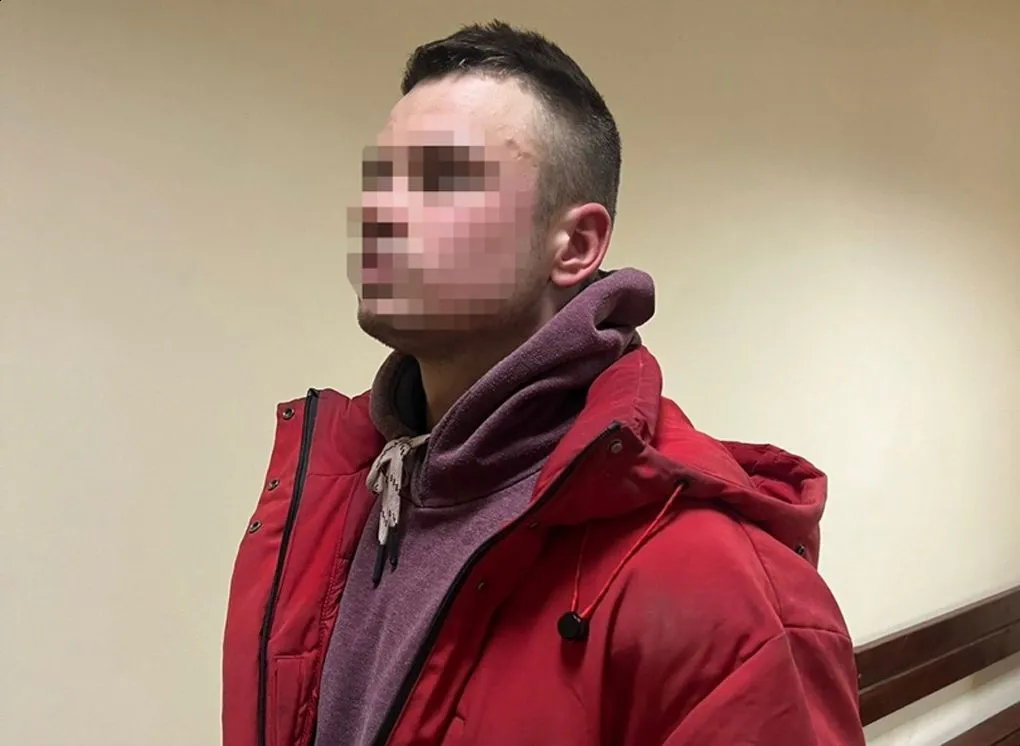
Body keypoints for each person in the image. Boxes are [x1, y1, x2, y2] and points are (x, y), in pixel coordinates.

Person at [222, 20, 866, 746]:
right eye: (381, 179)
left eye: (441, 180)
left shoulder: (724, 594)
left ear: (577, 245)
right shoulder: (332, 499)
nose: (380, 212)